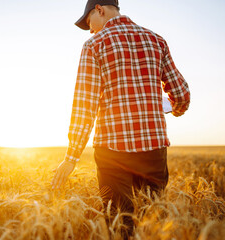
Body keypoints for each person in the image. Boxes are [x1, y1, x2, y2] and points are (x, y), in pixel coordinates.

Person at [51, 0, 190, 238]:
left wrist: (71, 157)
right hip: (154, 150)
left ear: (99, 10)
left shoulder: (94, 45)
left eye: (89, 22)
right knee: (153, 226)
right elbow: (181, 94)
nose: (91, 29)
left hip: (112, 153)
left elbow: (85, 106)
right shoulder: (156, 40)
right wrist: (174, 110)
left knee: (120, 228)